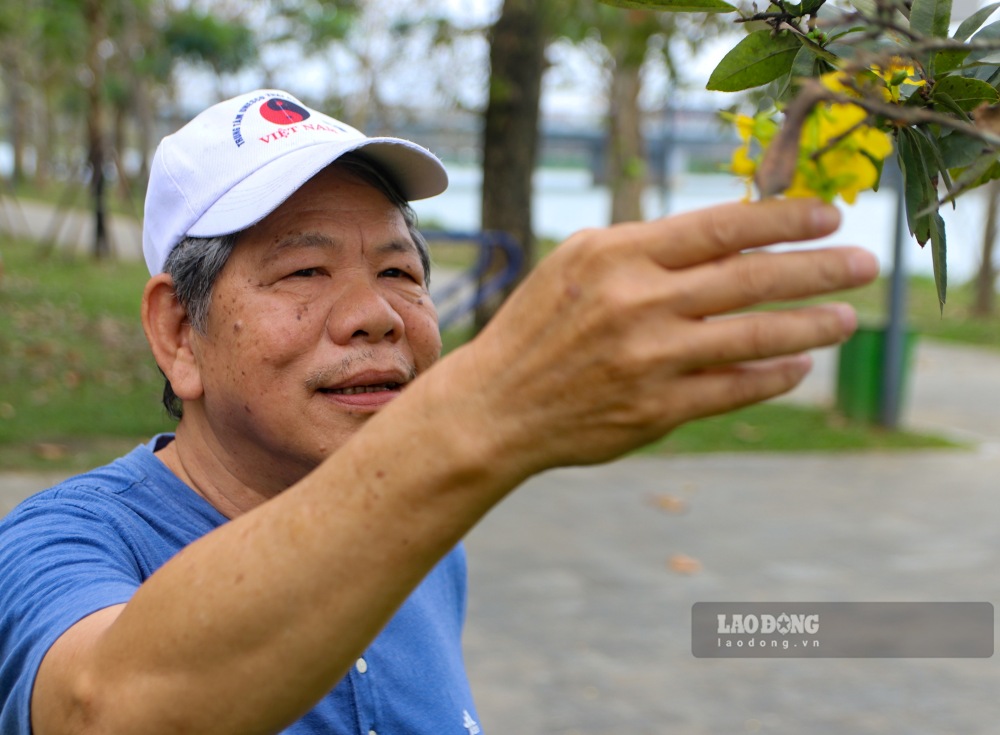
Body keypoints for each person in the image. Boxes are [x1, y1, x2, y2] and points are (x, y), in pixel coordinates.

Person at [0, 89, 878, 735]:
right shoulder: (60, 542)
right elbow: (102, 707)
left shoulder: (425, 534)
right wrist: (483, 410)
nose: (375, 313)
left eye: (399, 271)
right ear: (178, 332)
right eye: (305, 272)